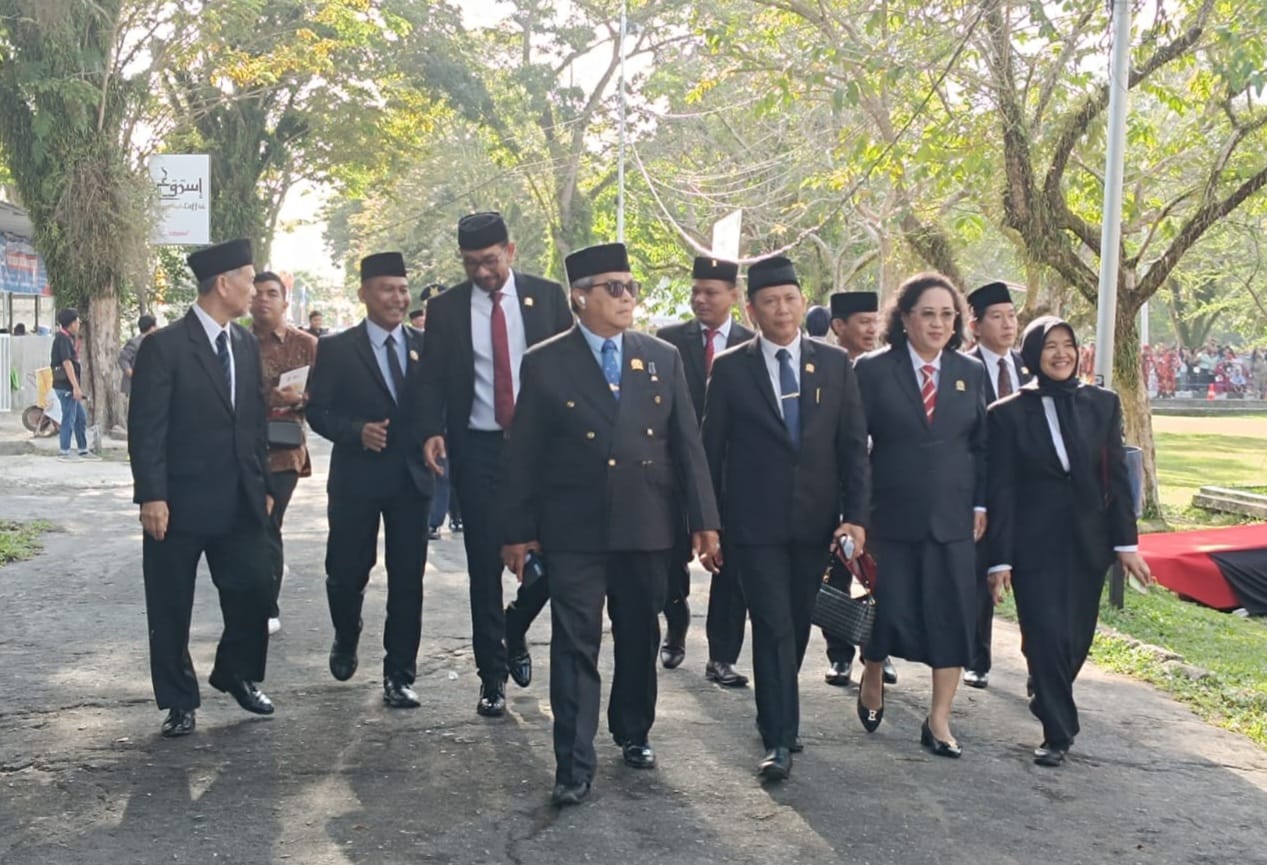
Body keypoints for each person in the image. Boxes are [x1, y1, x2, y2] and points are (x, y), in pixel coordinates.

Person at [500, 242, 721, 807]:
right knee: (575, 643)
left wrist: (704, 521)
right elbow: (524, 454)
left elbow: (687, 445)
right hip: (573, 525)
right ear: (580, 297)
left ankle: (633, 729)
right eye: (614, 288)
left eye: (631, 287)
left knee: (639, 633)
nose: (627, 298)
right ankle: (573, 764)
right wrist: (517, 531)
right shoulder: (546, 361)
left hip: (646, 521)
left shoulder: (661, 356)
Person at [701, 256, 870, 781]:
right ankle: (779, 737)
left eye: (790, 299)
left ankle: (777, 707)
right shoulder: (731, 368)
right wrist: (706, 524)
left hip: (814, 524)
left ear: (802, 302)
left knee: (795, 624)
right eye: (770, 302)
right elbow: (710, 450)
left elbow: (853, 449)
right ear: (751, 310)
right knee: (772, 623)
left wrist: (856, 517)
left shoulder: (835, 365)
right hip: (752, 526)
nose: (782, 309)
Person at [417, 213, 573, 717]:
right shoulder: (446, 310)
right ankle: (492, 675)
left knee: (558, 557)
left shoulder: (547, 298)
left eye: (489, 261)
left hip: (544, 451)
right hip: (480, 449)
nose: (482, 272)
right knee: (484, 565)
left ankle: (516, 624)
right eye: (470, 264)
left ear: (510, 250)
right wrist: (432, 428)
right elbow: (431, 378)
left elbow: (573, 367)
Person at [986, 316, 1153, 767]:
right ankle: (1058, 732)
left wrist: (1126, 544)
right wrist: (999, 560)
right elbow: (1001, 490)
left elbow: (1117, 478)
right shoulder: (1006, 413)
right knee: (1043, 633)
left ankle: (1046, 690)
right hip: (1033, 544)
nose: (1061, 354)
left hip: (1088, 541)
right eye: (1050, 346)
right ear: (1032, 354)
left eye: (1068, 345)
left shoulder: (1102, 403)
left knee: (1075, 638)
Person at [127, 239, 276, 738]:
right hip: (178, 501)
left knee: (256, 587)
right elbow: (147, 428)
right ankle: (178, 700)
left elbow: (252, 421)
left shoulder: (244, 344)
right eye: (249, 280)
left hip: (239, 497)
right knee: (171, 603)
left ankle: (236, 671)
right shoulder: (165, 346)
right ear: (223, 284)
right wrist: (151, 494)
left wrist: (262, 482)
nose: (255, 291)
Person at [853, 272, 988, 758]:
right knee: (887, 608)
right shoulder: (872, 369)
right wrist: (854, 514)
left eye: (947, 315)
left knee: (953, 615)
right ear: (904, 318)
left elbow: (982, 446)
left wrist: (980, 503)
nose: (937, 324)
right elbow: (853, 446)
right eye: (927, 314)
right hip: (889, 513)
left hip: (953, 515)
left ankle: (939, 720)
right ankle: (872, 670)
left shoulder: (970, 371)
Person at [307, 252, 433, 709]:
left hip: (411, 480)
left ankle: (399, 674)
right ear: (364, 294)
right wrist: (355, 431)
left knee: (408, 579)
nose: (397, 299)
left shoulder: (426, 345)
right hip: (356, 480)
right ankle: (347, 631)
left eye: (403, 290)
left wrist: (436, 436)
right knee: (346, 572)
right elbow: (317, 411)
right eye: (387, 290)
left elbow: (438, 403)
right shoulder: (337, 349)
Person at [655, 255, 754, 686]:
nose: (700, 300)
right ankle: (676, 624)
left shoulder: (752, 344)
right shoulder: (668, 341)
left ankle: (722, 657)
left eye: (711, 292)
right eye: (696, 291)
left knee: (730, 565)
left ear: (734, 295)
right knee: (670, 556)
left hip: (732, 472)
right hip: (675, 469)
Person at [821, 291, 897, 689]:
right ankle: (839, 655)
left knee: (878, 575)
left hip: (879, 491)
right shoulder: (823, 368)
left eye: (875, 320)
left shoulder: (888, 371)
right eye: (863, 321)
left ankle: (876, 652)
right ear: (839, 326)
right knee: (835, 573)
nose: (872, 329)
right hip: (832, 487)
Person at [963, 281, 1032, 690]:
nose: (1008, 325)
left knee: (1031, 581)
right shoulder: (963, 369)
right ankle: (977, 658)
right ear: (975, 325)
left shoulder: (1029, 367)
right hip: (982, 493)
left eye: (1011, 316)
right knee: (978, 577)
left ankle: (1037, 665)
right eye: (997, 317)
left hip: (1026, 495)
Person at [250, 272, 318, 636]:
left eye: (271, 293)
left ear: (284, 302)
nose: (263, 299)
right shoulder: (238, 342)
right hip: (244, 447)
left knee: (267, 520)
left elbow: (327, 396)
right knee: (250, 524)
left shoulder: (306, 345)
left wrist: (301, 399)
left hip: (284, 450)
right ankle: (264, 578)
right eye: (257, 293)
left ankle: (266, 606)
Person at [50, 308, 96, 461]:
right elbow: (67, 363)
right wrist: (75, 387)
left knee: (80, 418)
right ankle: (64, 451)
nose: (79, 323)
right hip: (65, 386)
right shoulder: (62, 339)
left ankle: (83, 449)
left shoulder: (67, 338)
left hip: (69, 385)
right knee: (69, 418)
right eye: (77, 321)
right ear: (71, 323)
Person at [118, 314, 159, 400]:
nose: (157, 328)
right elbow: (123, 359)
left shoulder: (155, 342)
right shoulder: (135, 342)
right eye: (156, 326)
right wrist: (133, 375)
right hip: (136, 387)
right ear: (151, 328)